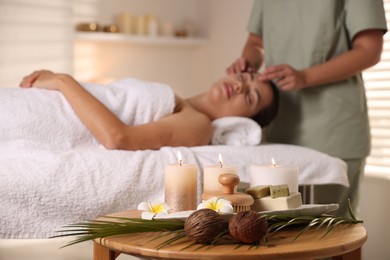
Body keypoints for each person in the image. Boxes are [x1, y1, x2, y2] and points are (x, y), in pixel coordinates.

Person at [226, 0, 387, 216]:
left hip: (334, 128)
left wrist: (305, 77)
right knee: (275, 232)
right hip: (279, 129)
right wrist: (247, 62)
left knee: (333, 233)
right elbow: (256, 43)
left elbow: (369, 50)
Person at [17, 70, 278, 151]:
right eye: (246, 77)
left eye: (252, 96)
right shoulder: (179, 101)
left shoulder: (199, 124)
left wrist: (63, 81)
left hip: (36, 119)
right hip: (31, 105)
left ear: (244, 121)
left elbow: (118, 138)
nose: (241, 87)